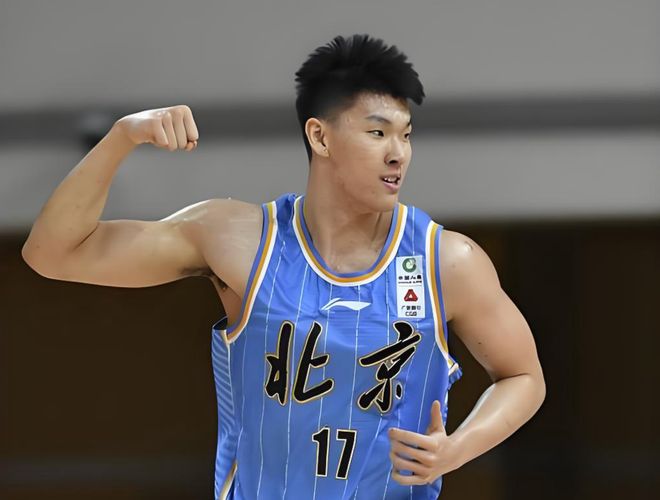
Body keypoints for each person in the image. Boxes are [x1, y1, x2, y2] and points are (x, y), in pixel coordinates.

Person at [22, 33, 545, 499]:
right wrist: (122, 137)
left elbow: (524, 376)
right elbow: (53, 253)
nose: (398, 154)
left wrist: (457, 449)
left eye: (406, 135)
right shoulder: (237, 240)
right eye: (377, 133)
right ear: (320, 137)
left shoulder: (446, 261)